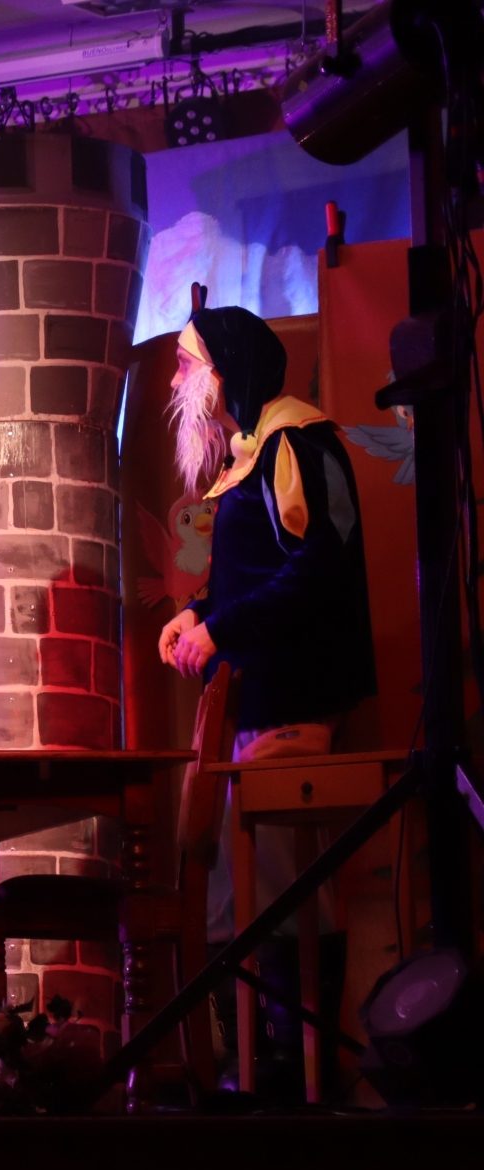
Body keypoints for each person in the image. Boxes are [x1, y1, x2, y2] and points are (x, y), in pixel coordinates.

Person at [158, 305, 376, 1097]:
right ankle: (257, 1060)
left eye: (188, 364)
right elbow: (256, 573)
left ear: (228, 368)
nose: (177, 382)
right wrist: (200, 614)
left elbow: (320, 565)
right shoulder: (257, 452)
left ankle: (296, 1067)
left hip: (295, 695)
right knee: (238, 883)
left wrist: (221, 628)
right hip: (255, 701)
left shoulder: (298, 442)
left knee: (285, 884)